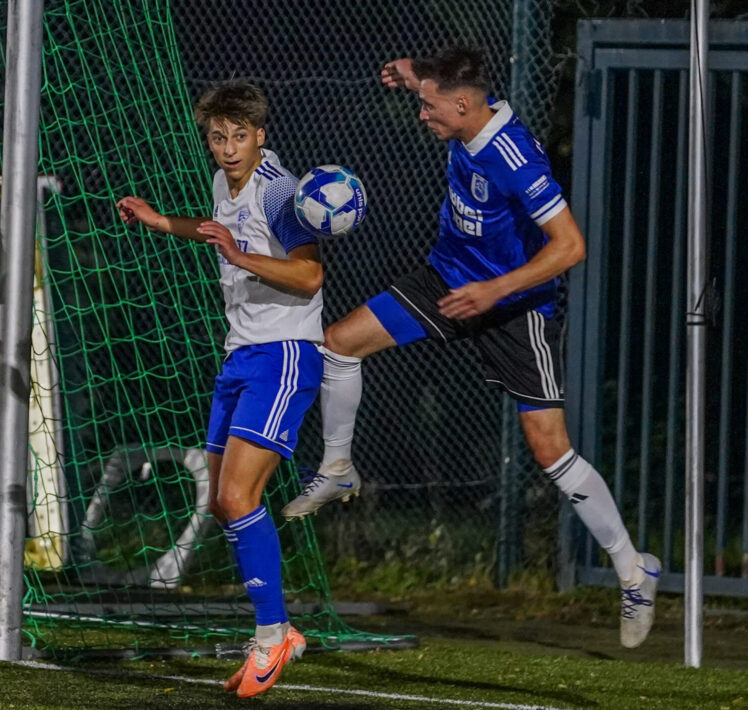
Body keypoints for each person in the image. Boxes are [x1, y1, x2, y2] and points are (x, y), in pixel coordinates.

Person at [280, 47, 660, 649]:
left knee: (550, 450)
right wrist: (411, 74)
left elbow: (570, 246)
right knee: (340, 343)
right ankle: (337, 469)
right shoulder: (462, 108)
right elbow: (436, 86)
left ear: (461, 105)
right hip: (447, 279)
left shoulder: (515, 159)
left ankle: (633, 570)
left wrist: (496, 290)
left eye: (430, 106)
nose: (422, 115)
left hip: (513, 308)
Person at [116, 82, 320, 697]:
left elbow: (309, 275)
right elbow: (216, 229)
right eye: (218, 137)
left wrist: (238, 253)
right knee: (221, 501)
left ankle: (272, 635)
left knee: (237, 495)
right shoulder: (222, 183)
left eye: (239, 136)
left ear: (261, 136)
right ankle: (277, 628)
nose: (228, 148)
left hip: (284, 354)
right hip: (241, 356)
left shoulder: (279, 191)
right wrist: (161, 222)